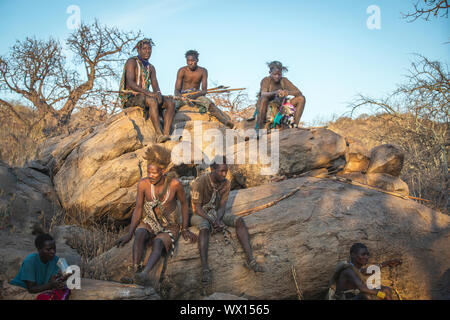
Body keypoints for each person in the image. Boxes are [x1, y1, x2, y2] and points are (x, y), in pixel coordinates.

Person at [115, 144, 197, 285]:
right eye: (148, 172)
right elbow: (138, 208)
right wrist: (130, 233)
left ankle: (145, 274)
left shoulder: (175, 184)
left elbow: (184, 205)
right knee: (140, 234)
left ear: (163, 171)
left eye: (154, 173)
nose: (150, 176)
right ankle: (135, 272)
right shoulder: (143, 184)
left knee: (158, 243)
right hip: (151, 221)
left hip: (170, 225)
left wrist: (184, 228)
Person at [190, 157, 264, 285]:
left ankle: (250, 260)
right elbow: (197, 209)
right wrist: (212, 221)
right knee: (204, 226)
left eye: (226, 171)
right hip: (201, 214)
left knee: (239, 221)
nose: (225, 174)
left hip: (215, 213)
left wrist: (218, 219)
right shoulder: (200, 182)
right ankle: (205, 269)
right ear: (212, 169)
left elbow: (223, 206)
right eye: (221, 171)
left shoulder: (226, 183)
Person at [119, 38, 175, 143]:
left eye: (149, 49)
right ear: (138, 49)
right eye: (144, 49)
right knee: (152, 101)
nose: (147, 51)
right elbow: (131, 83)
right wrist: (149, 93)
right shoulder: (132, 62)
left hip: (145, 96)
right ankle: (159, 134)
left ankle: (166, 134)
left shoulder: (151, 68)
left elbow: (156, 86)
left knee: (170, 103)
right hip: (131, 97)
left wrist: (158, 94)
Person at [174, 50, 235, 129]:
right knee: (171, 107)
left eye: (192, 60)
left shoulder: (203, 71)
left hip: (197, 95)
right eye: (188, 61)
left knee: (209, 103)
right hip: (183, 96)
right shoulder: (182, 70)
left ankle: (225, 121)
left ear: (197, 60)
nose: (190, 63)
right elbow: (176, 90)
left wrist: (193, 96)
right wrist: (181, 97)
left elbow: (204, 91)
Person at [2, 232, 71, 300]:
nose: (53, 252)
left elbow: (65, 273)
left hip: (40, 288)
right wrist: (52, 285)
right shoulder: (30, 260)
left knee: (64, 291)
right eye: (48, 249)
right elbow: (31, 289)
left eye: (54, 248)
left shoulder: (55, 259)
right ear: (39, 249)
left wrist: (61, 280)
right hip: (20, 289)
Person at [326, 243, 402, 300]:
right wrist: (382, 295)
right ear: (353, 255)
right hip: (345, 298)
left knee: (386, 290)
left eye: (367, 254)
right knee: (366, 296)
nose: (366, 257)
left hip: (354, 296)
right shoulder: (348, 271)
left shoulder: (356, 269)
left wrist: (387, 263)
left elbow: (368, 271)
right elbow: (362, 288)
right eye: (363, 254)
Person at [256, 61, 306, 130]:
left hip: (282, 107)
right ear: (270, 72)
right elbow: (263, 93)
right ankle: (260, 126)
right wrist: (275, 92)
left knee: (301, 98)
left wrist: (288, 92)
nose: (277, 76)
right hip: (268, 107)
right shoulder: (266, 80)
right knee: (263, 98)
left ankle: (295, 124)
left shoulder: (284, 80)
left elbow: (299, 92)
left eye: (279, 74)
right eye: (275, 74)